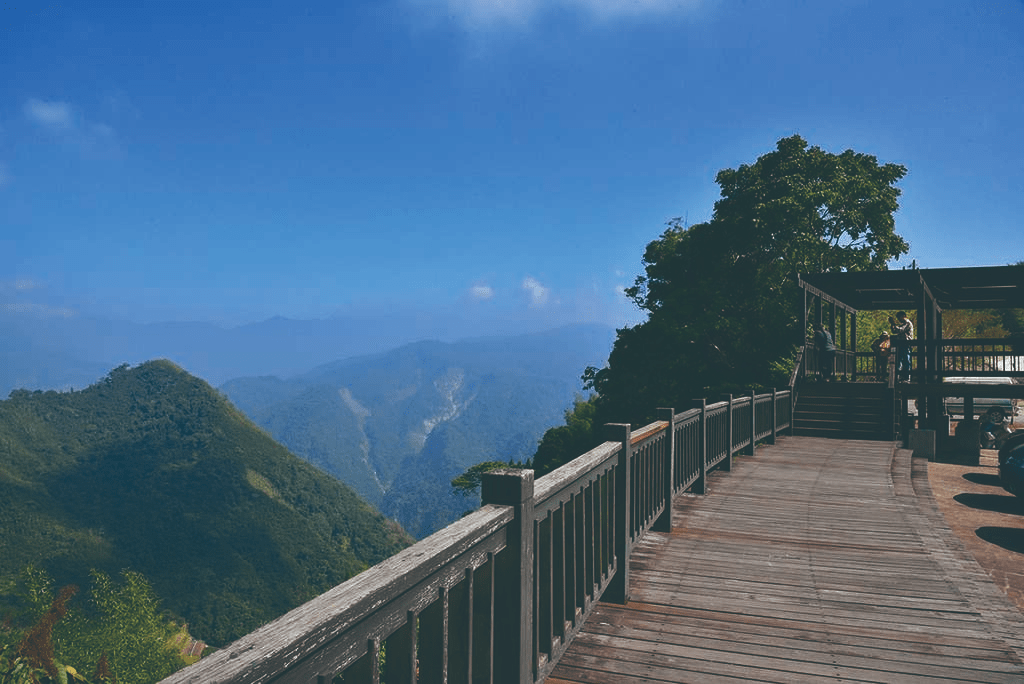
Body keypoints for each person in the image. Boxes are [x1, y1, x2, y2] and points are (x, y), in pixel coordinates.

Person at [889, 311, 914, 382]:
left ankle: (906, 378)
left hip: (906, 344)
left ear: (903, 316)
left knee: (906, 360)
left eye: (899, 317)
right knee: (899, 360)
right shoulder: (902, 324)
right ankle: (899, 377)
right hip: (901, 344)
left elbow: (900, 330)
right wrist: (892, 325)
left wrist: (893, 323)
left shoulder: (907, 323)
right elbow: (894, 331)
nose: (898, 319)